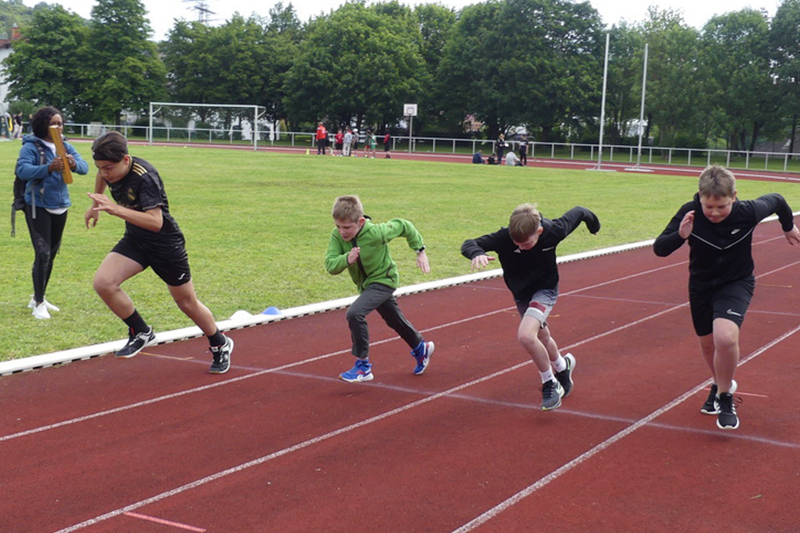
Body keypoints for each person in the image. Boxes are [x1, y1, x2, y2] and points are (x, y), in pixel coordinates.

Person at [654, 165, 800, 430]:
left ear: (734, 196)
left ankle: (724, 396)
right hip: (701, 285)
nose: (714, 213)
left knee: (725, 337)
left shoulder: (749, 211)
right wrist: (680, 235)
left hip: (736, 281)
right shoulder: (690, 213)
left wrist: (788, 227)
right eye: (709, 206)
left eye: (721, 206)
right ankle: (721, 383)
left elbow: (778, 200)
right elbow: (659, 249)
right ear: (700, 197)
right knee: (709, 345)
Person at [84, 131, 234, 373]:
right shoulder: (109, 169)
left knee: (186, 302)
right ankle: (140, 331)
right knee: (104, 283)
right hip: (135, 239)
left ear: (125, 159)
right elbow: (102, 179)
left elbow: (156, 222)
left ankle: (220, 342)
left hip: (164, 244)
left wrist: (115, 210)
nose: (104, 173)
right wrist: (96, 205)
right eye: (100, 167)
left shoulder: (146, 177)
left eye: (108, 168)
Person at [462, 203, 600, 410]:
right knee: (542, 338)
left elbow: (580, 212)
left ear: (539, 231)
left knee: (526, 336)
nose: (520, 247)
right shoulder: (504, 237)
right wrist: (476, 253)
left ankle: (550, 382)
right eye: (516, 243)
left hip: (545, 290)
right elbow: (470, 243)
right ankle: (563, 367)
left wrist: (594, 226)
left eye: (526, 243)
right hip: (521, 294)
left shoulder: (553, 230)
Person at [325, 195, 434, 383]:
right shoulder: (337, 236)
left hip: (385, 280)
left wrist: (420, 251)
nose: (342, 232)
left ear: (360, 222)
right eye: (338, 226)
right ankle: (420, 348)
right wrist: (346, 259)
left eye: (347, 227)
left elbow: (404, 226)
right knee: (394, 320)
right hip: (366, 285)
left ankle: (363, 366)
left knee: (355, 313)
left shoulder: (376, 232)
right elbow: (330, 264)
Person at [15, 106, 89, 319]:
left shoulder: (64, 145)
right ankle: (39, 304)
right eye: (53, 123)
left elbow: (84, 168)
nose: (58, 126)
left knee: (52, 253)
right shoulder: (31, 146)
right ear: (42, 125)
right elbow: (22, 170)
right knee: (43, 253)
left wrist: (73, 163)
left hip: (61, 204)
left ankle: (39, 296)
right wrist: (48, 168)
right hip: (37, 205)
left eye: (60, 123)